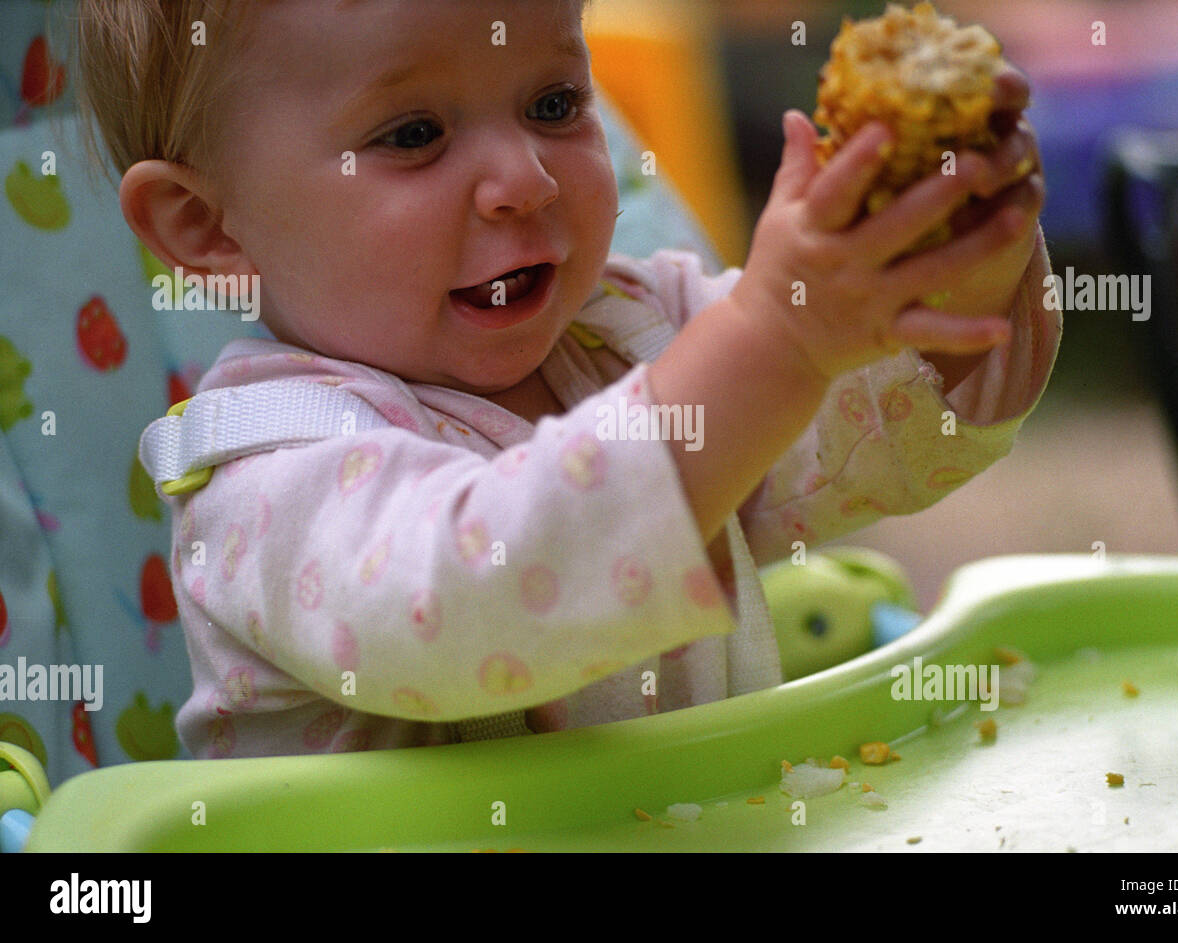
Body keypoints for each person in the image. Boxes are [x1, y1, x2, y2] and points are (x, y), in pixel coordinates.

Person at [78, 0, 1059, 758]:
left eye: (553, 105)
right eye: (412, 134)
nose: (524, 178)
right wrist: (775, 343)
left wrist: (954, 259)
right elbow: (469, 600)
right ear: (204, 228)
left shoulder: (636, 329)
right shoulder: (264, 474)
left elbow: (881, 436)